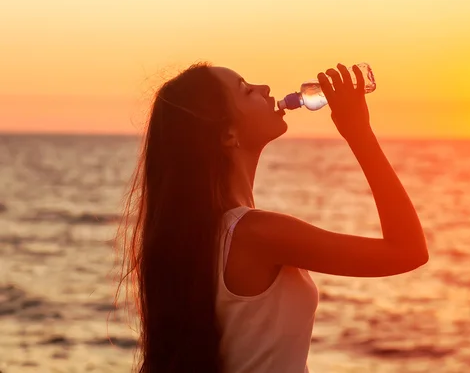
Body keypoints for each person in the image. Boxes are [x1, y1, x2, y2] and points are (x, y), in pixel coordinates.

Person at [114, 62, 429, 373]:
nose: (264, 88)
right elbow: (407, 251)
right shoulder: (256, 234)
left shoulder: (202, 236)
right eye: (247, 90)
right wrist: (359, 132)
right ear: (227, 135)